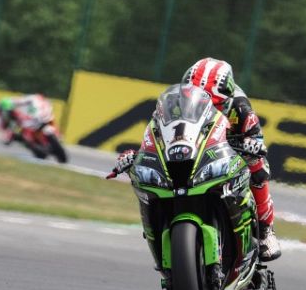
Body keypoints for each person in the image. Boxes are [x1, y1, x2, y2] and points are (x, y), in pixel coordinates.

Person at [113, 57, 281, 262]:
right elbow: (157, 133)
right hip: (193, 150)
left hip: (228, 152)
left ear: (227, 99)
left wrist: (252, 145)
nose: (210, 107)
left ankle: (266, 230)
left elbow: (257, 141)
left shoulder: (241, 107)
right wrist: (137, 155)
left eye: (216, 104)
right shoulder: (176, 103)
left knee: (259, 169)